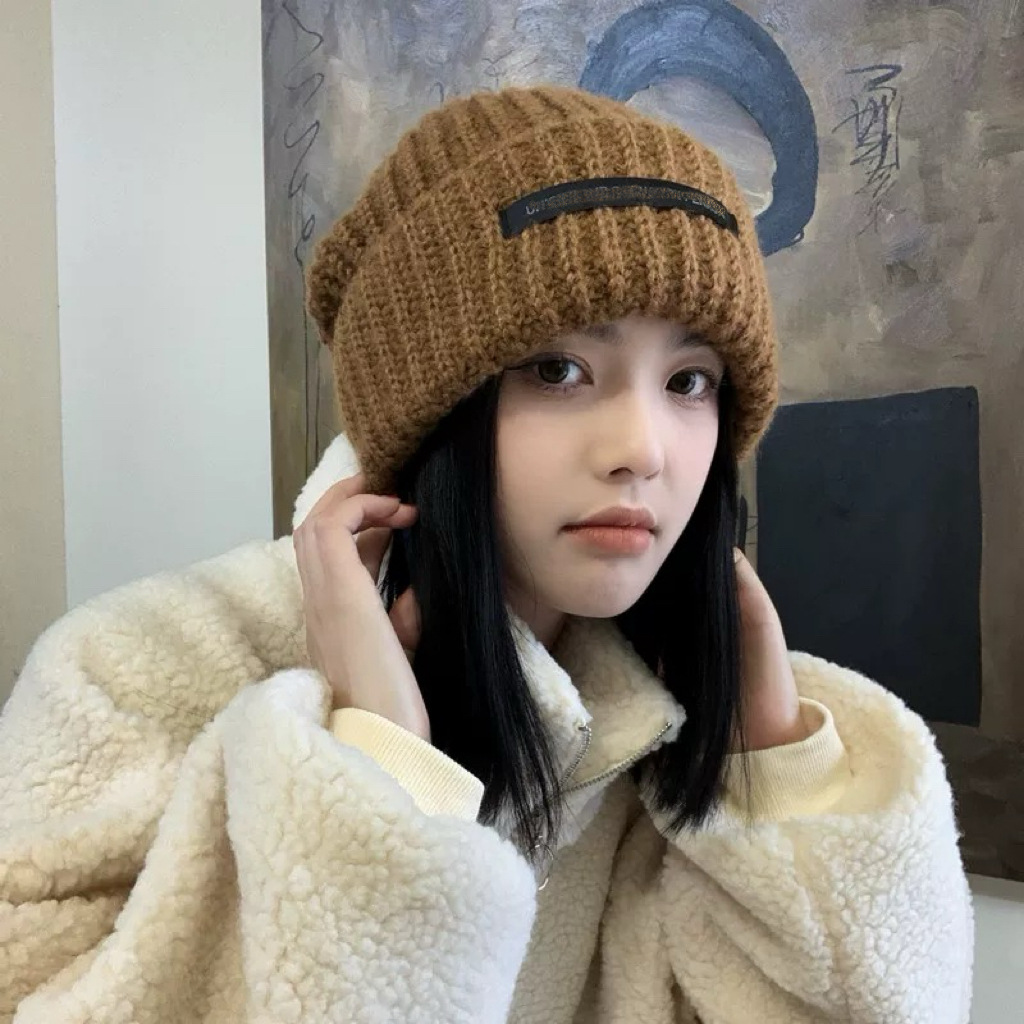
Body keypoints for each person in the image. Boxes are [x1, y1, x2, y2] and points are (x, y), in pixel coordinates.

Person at [0, 84, 973, 1024]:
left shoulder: (659, 726)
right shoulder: (128, 675)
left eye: (688, 381)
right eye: (558, 368)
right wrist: (380, 772)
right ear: (433, 412)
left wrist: (776, 765)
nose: (643, 449)